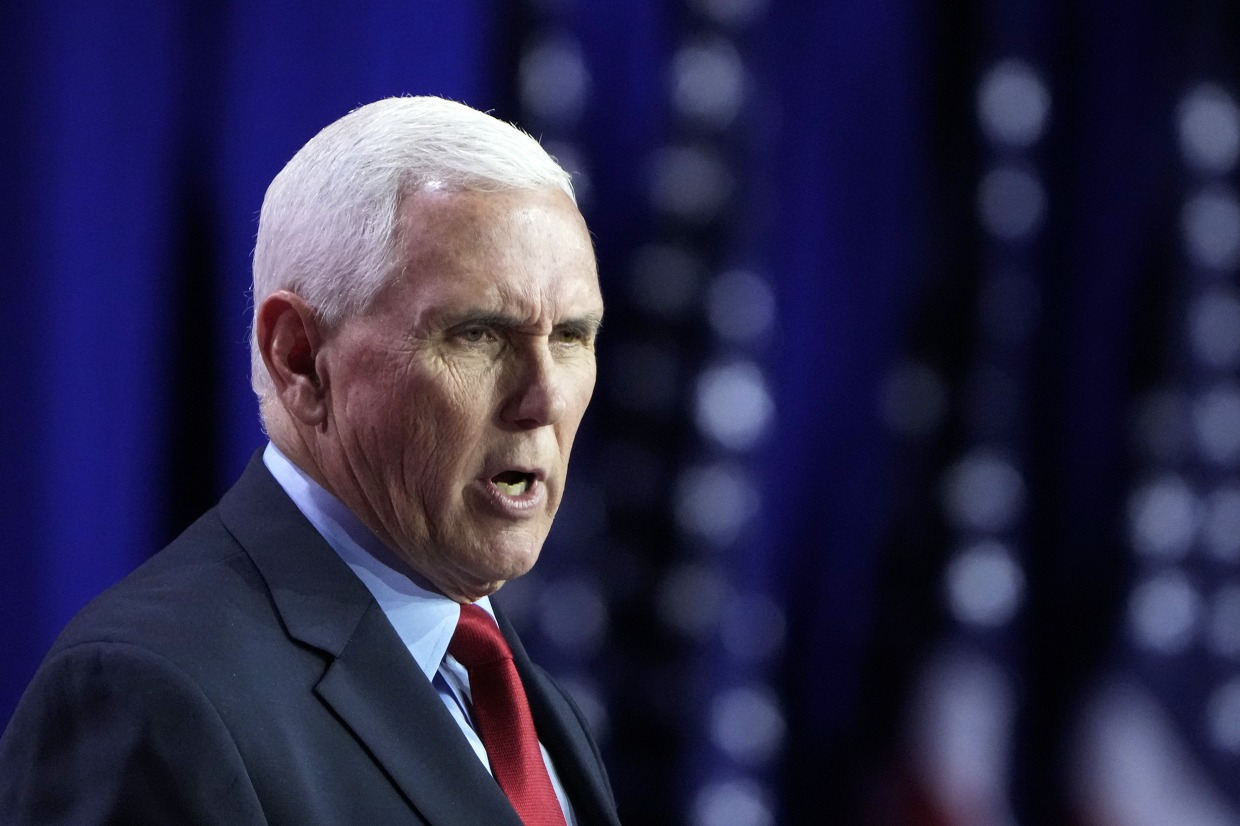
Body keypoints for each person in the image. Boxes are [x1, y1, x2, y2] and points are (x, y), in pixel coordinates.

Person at [0, 96, 618, 825]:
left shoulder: (524, 699)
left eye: (573, 336)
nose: (544, 397)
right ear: (299, 359)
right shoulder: (149, 694)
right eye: (478, 334)